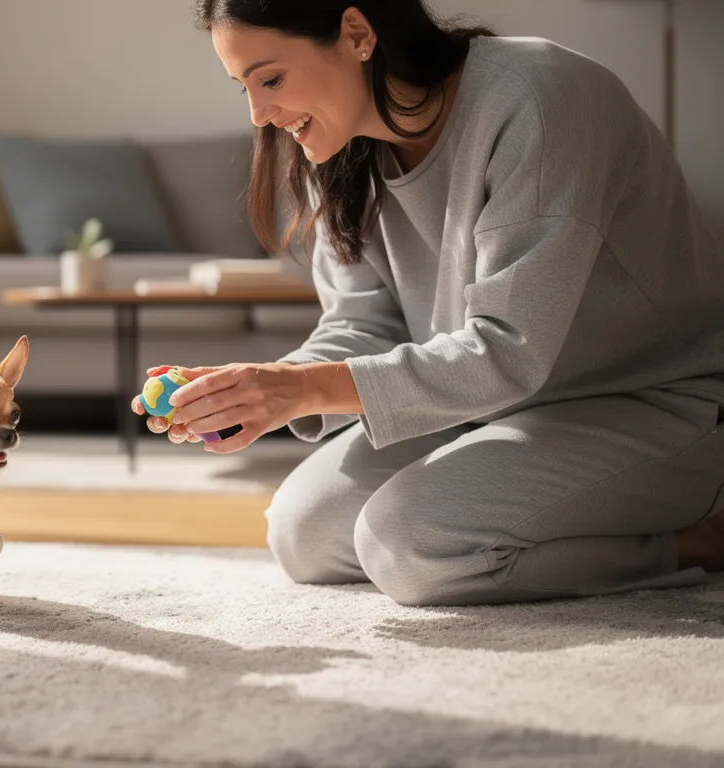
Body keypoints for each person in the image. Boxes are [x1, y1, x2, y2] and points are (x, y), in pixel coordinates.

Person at [133, 0, 724, 606]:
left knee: (409, 545)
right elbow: (363, 324)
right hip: (484, 409)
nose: (260, 113)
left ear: (357, 33)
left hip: (657, 406)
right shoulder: (335, 146)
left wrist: (302, 389)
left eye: (271, 78)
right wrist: (265, 389)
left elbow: (508, 350)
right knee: (302, 533)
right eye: (244, 89)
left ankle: (700, 540)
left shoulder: (541, 97)